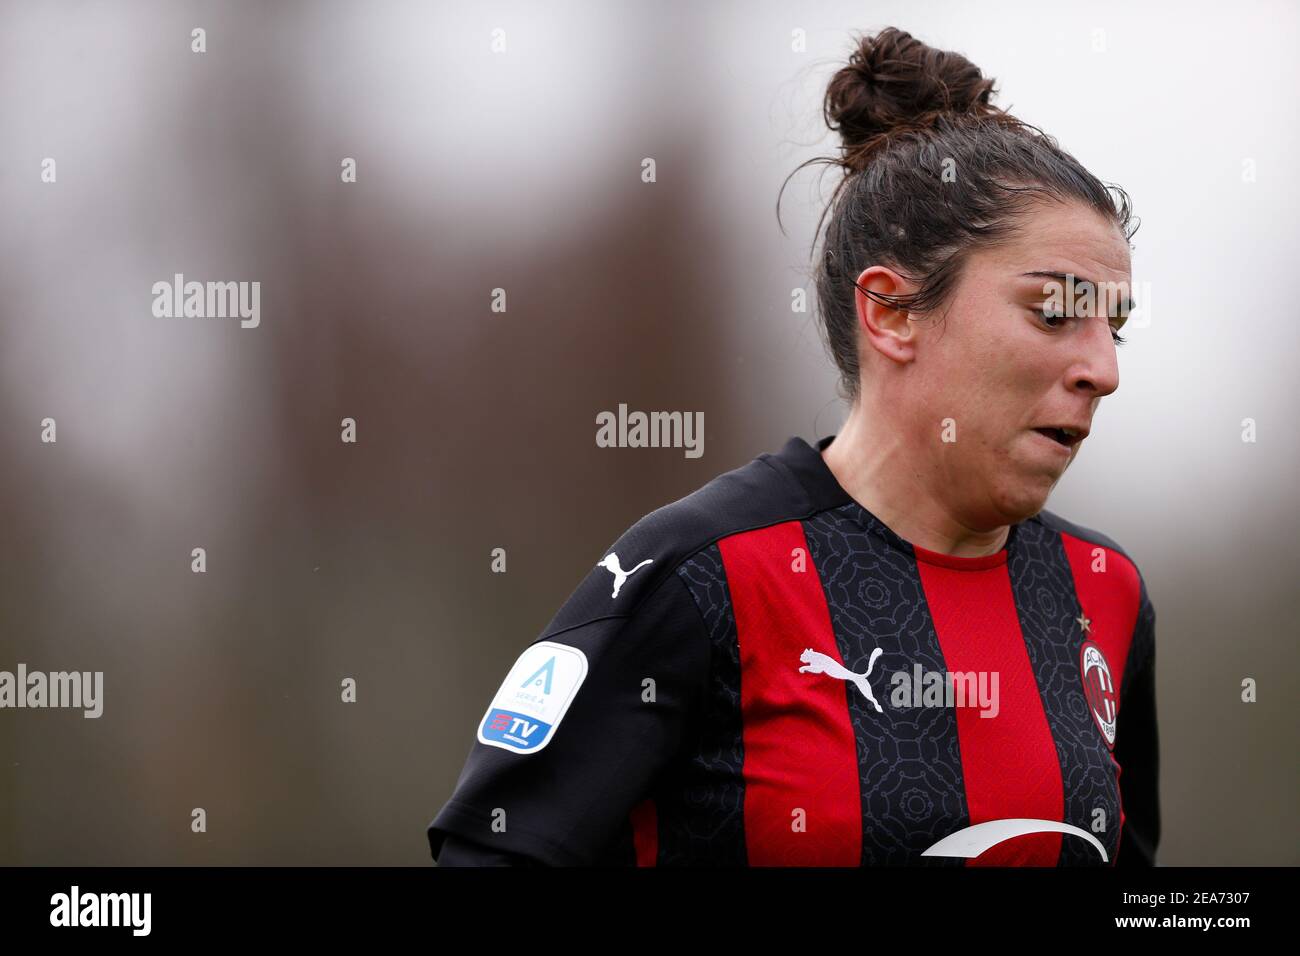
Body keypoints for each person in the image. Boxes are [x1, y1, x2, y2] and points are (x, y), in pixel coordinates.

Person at [428, 26, 1158, 867]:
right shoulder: (699, 575)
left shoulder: (1106, 593)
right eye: (1054, 312)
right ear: (891, 313)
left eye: (1116, 328)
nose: (1102, 369)